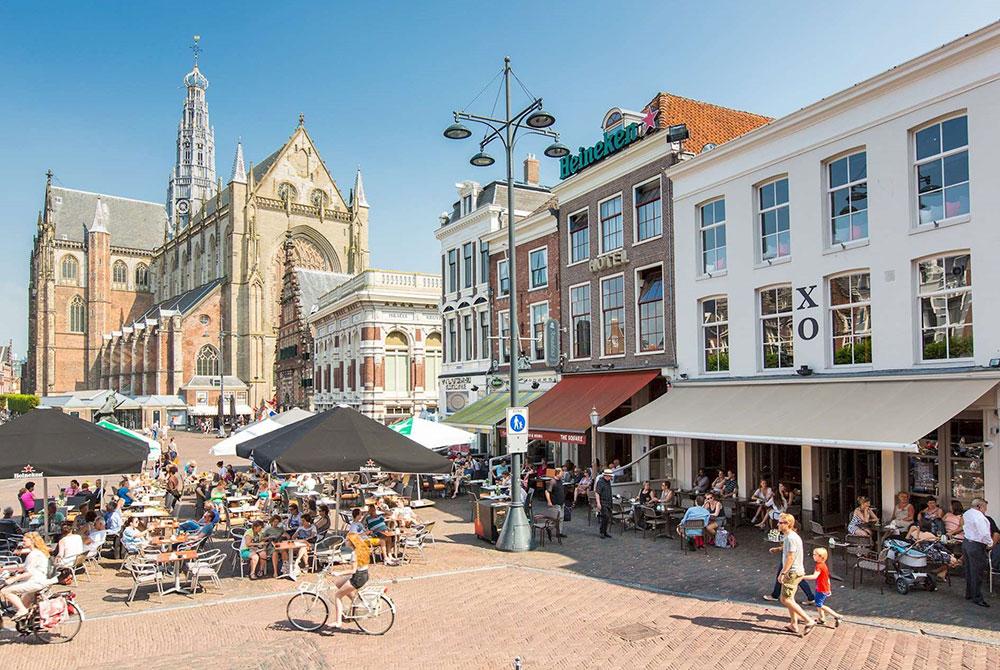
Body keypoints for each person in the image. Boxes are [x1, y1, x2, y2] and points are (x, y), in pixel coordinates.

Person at [774, 514, 817, 636]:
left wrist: (783, 572)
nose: (778, 524)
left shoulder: (790, 538)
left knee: (785, 599)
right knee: (790, 598)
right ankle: (793, 624)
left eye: (781, 523)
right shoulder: (790, 537)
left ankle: (808, 620)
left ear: (788, 524)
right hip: (796, 571)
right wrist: (778, 549)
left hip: (792, 572)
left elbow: (791, 556)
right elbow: (789, 551)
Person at [0, 533, 51, 620]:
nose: (22, 543)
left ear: (32, 541)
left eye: (24, 541)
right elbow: (24, 566)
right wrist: (5, 568)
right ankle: (25, 625)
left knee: (5, 591)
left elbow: (29, 572)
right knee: (21, 603)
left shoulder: (34, 554)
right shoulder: (36, 552)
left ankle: (22, 610)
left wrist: (13, 579)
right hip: (37, 580)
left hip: (35, 581)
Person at [329, 532, 371, 629]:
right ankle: (355, 601)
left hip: (358, 577)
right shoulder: (361, 549)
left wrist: (338, 573)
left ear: (352, 542)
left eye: (347, 540)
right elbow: (358, 565)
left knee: (337, 595)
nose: (345, 541)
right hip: (363, 574)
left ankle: (338, 622)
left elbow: (353, 570)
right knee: (339, 583)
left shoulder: (354, 553)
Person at [961, 498, 993, 608]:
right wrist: (990, 543)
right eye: (985, 507)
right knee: (977, 572)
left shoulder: (967, 513)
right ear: (979, 506)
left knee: (969, 570)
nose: (986, 510)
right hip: (976, 545)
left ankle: (969, 593)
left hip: (967, 543)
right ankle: (977, 597)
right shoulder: (979, 517)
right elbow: (984, 533)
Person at [801, 547, 842, 627]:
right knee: (818, 603)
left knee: (819, 604)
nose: (813, 556)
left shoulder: (819, 566)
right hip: (822, 587)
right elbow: (827, 577)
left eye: (814, 554)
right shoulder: (823, 565)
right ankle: (822, 618)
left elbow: (814, 576)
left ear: (820, 556)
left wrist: (802, 577)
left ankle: (837, 616)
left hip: (822, 588)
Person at [543, 469, 567, 539]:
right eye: (561, 473)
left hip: (561, 502)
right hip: (555, 502)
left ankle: (559, 532)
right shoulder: (553, 481)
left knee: (561, 518)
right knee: (556, 518)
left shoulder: (560, 481)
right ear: (557, 473)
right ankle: (550, 528)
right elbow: (547, 492)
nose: (562, 474)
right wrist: (549, 501)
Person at [595, 468, 614, 539]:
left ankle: (605, 531)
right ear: (606, 476)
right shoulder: (600, 482)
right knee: (605, 516)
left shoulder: (608, 481)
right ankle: (602, 532)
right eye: (610, 476)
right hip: (603, 501)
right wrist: (598, 503)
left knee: (608, 517)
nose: (611, 477)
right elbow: (597, 493)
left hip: (608, 501)